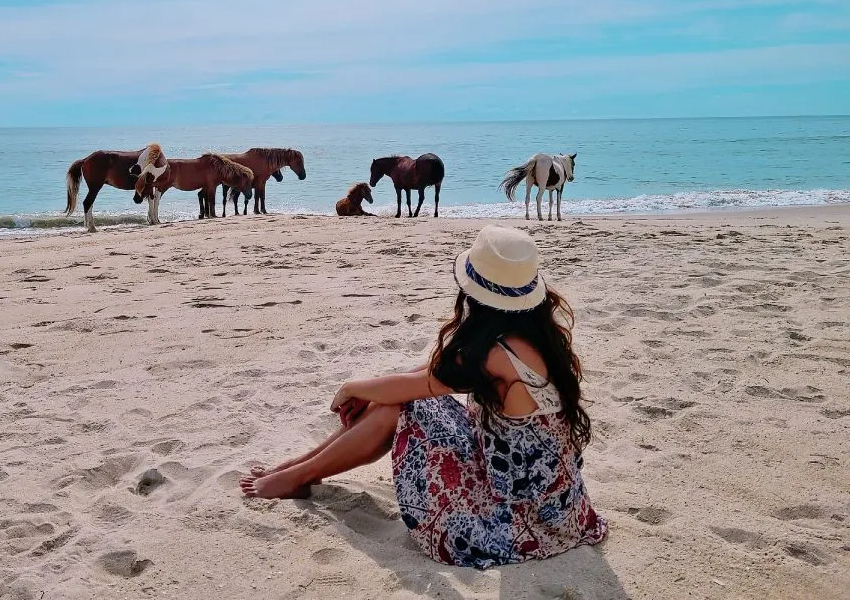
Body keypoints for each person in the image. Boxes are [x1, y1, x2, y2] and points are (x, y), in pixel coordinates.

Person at [240, 224, 607, 569]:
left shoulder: (496, 356)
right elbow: (427, 373)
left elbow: (416, 387)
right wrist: (370, 388)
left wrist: (353, 388)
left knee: (398, 406)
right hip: (559, 505)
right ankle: (300, 468)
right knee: (397, 396)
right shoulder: (535, 334)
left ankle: (300, 474)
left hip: (515, 517)